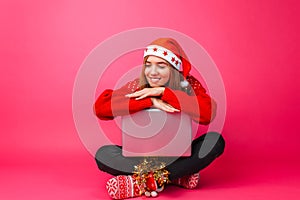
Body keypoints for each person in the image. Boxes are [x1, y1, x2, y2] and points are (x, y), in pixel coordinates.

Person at [94, 38, 225, 199]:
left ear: (174, 69)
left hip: (178, 156)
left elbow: (208, 112)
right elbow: (101, 107)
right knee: (103, 154)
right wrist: (149, 100)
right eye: (148, 65)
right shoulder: (139, 86)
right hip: (142, 158)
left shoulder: (188, 85)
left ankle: (142, 182)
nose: (152, 72)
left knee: (215, 141)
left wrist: (164, 93)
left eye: (161, 66)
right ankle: (175, 176)